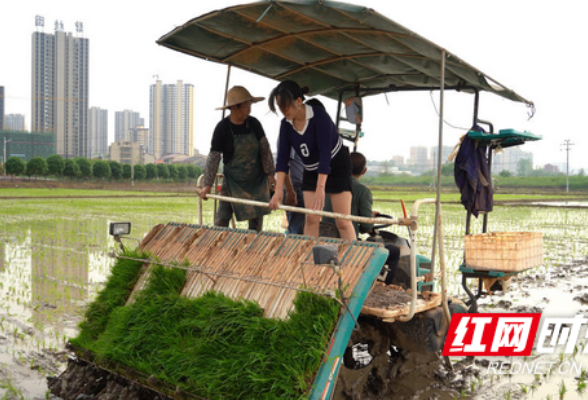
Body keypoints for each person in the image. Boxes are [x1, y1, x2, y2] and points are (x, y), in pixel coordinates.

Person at [268, 80, 356, 242]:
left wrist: (321, 187)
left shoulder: (319, 116)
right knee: (311, 218)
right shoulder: (285, 125)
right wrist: (279, 189)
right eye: (279, 106)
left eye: (285, 105)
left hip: (336, 166)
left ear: (299, 101)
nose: (282, 111)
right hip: (311, 169)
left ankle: (355, 264)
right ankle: (310, 261)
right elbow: (282, 158)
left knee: (342, 220)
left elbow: (325, 154)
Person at [198, 86, 276, 232]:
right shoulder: (222, 128)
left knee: (256, 224)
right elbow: (214, 157)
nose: (249, 110)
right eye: (246, 106)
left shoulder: (255, 124)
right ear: (234, 107)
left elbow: (265, 150)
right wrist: (207, 185)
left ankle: (253, 250)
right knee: (221, 219)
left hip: (257, 181)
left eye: (250, 105)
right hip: (232, 180)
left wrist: (271, 175)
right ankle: (218, 249)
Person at [323, 152, 400, 284]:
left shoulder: (327, 186)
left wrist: (367, 214)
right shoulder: (362, 190)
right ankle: (383, 288)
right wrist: (368, 218)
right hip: (348, 243)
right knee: (393, 251)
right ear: (364, 171)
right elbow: (366, 227)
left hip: (326, 239)